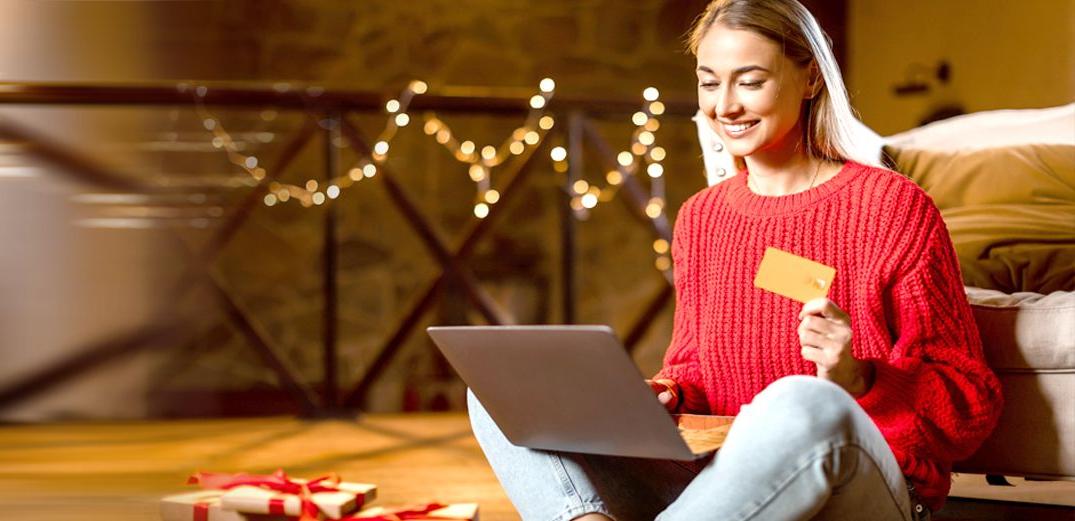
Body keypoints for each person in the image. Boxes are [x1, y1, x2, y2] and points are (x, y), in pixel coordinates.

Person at [468, 1, 1003, 519]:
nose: (724, 105)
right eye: (708, 81)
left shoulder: (893, 207)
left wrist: (861, 377)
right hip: (717, 485)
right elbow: (693, 369)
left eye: (749, 81)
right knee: (498, 394)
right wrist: (663, 394)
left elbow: (970, 407)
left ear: (810, 79)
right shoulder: (702, 218)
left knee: (801, 403)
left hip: (866, 487)